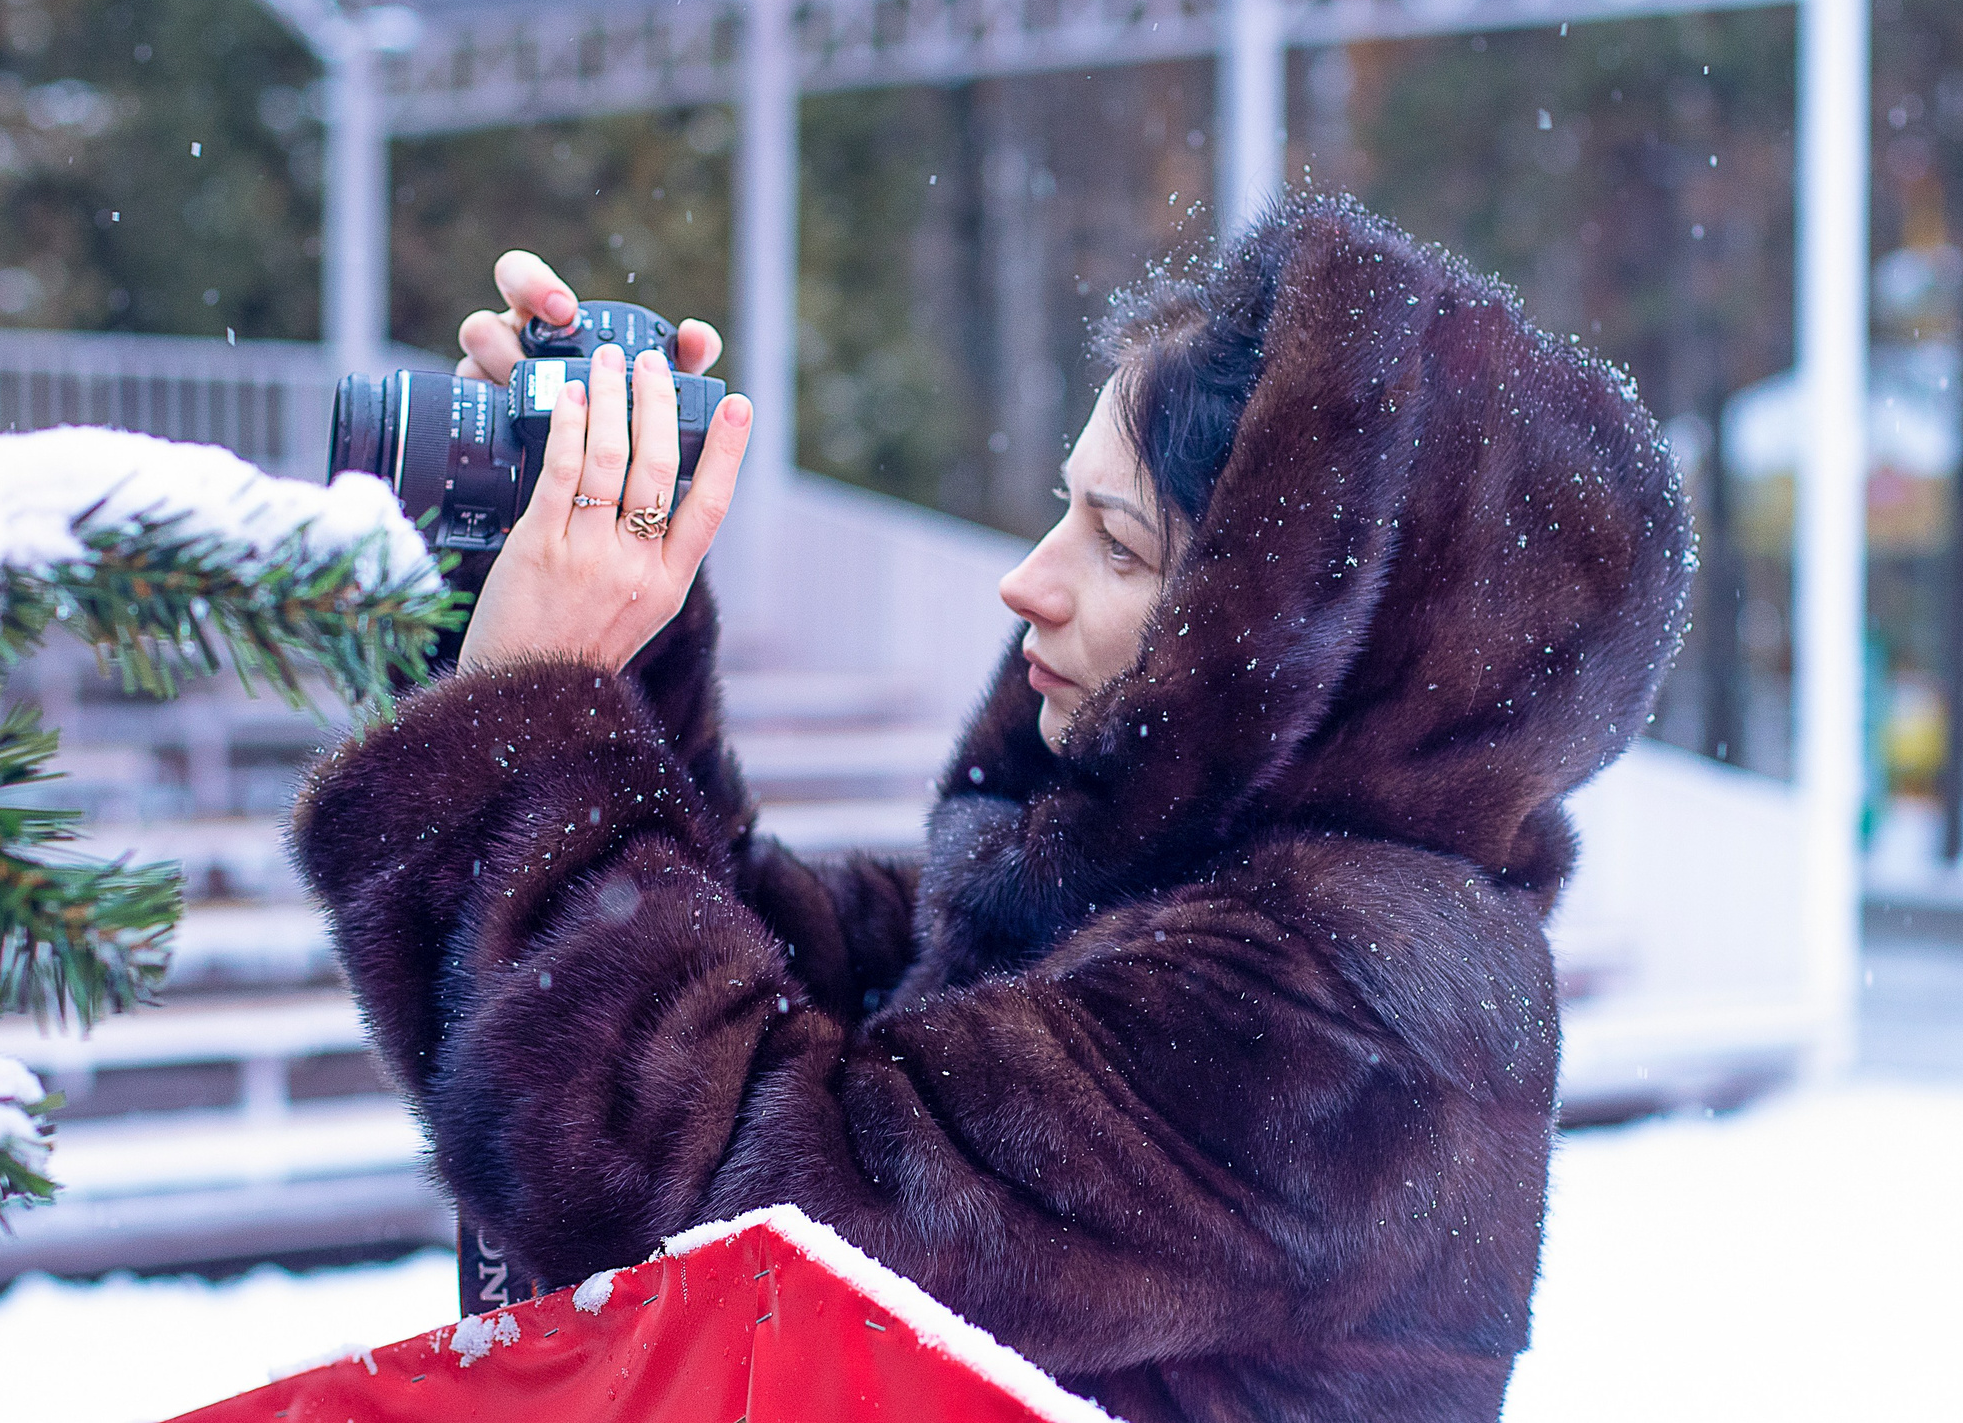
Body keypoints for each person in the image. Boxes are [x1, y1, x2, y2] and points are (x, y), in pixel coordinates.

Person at [293, 196, 1693, 1422]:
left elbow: (745, 1236)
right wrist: (601, 601)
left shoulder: (1341, 1013)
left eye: (1118, 540)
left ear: (1298, 638)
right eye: (1060, 507)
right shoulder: (1144, 888)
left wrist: (547, 703)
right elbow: (752, 988)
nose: (1030, 578)